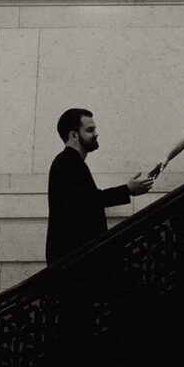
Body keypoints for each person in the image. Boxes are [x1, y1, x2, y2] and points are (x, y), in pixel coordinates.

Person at [45, 108, 154, 266]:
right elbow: (88, 200)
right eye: (90, 130)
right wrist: (127, 190)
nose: (96, 134)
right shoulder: (67, 162)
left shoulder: (69, 161)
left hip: (73, 258)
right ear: (73, 135)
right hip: (74, 261)